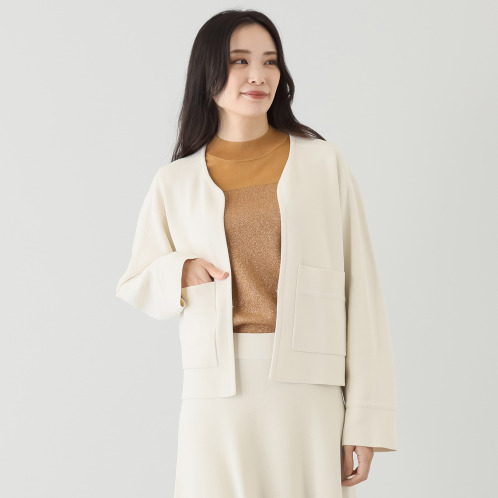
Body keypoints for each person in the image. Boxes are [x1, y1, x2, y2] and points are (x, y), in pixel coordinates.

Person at [116, 9, 397, 498]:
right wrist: (179, 271)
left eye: (270, 61)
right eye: (239, 60)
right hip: (216, 396)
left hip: (310, 393)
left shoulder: (322, 163)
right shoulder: (175, 181)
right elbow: (135, 283)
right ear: (208, 73)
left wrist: (365, 420)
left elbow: (362, 293)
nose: (258, 75)